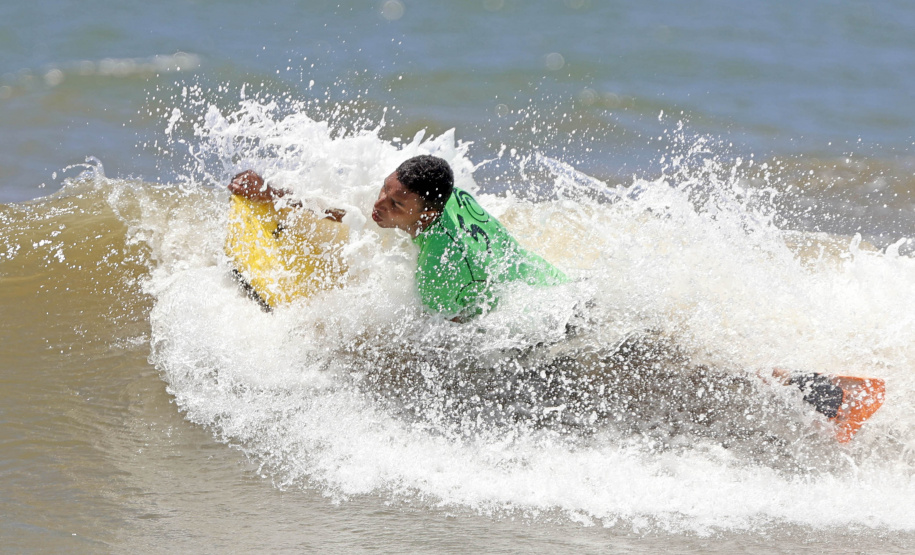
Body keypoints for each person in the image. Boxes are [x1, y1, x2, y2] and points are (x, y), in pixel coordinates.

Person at [228, 155, 566, 320]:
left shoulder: (437, 269)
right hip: (550, 283)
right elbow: (356, 214)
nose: (379, 204)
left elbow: (449, 337)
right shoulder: (446, 195)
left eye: (395, 203)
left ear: (428, 214)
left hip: (544, 317)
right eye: (384, 189)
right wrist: (272, 194)